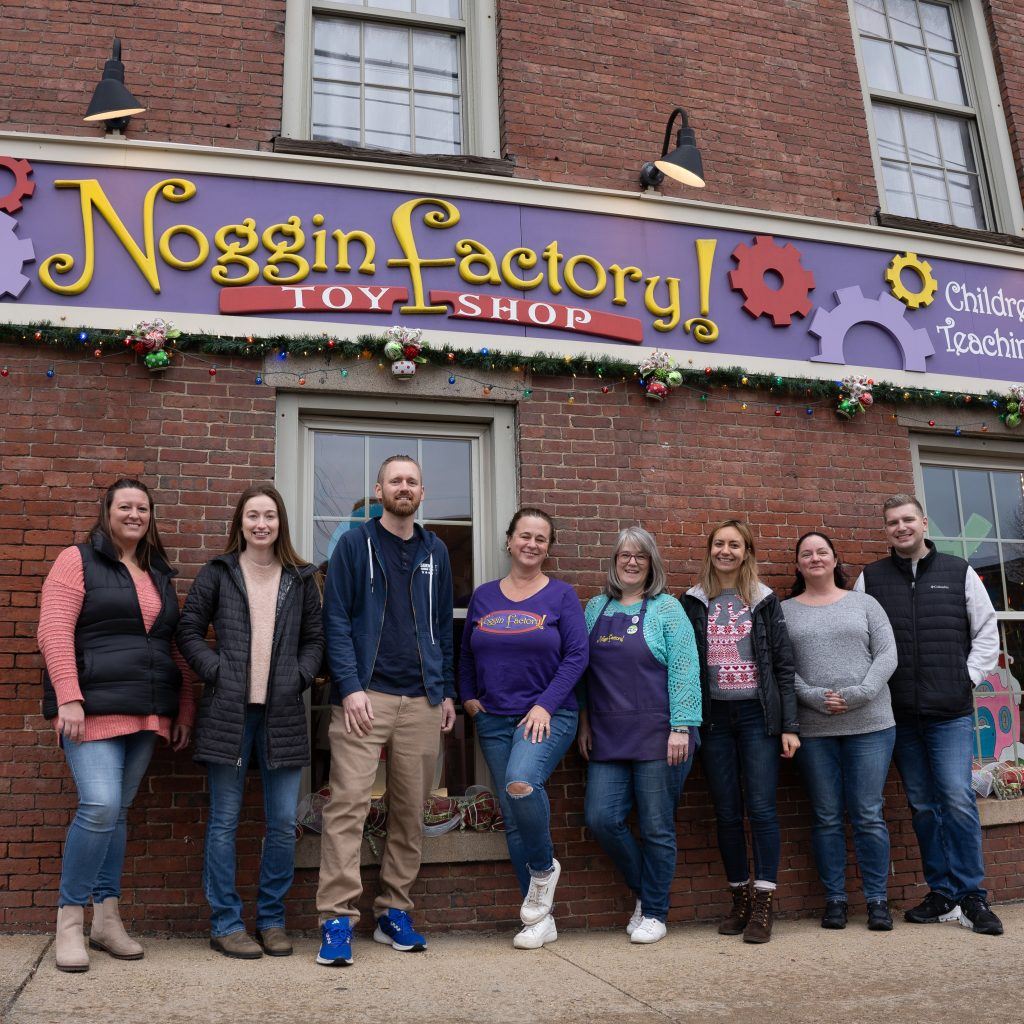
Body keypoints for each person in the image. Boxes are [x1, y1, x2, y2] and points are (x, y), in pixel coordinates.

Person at [38, 478, 195, 973]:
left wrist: (182, 708)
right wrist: (70, 697)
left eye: (142, 508)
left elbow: (172, 646)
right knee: (101, 805)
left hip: (148, 711)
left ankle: (106, 919)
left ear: (151, 517)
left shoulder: (157, 573)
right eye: (124, 506)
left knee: (119, 811)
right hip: (91, 710)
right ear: (106, 512)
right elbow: (53, 629)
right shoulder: (77, 560)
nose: (134, 514)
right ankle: (69, 921)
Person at [316, 455, 456, 966]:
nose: (404, 488)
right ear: (379, 489)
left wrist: (446, 692)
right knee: (348, 806)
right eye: (395, 480)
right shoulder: (354, 544)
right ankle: (336, 918)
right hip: (365, 696)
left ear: (423, 493)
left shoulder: (436, 550)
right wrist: (349, 686)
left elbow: (444, 628)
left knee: (410, 812)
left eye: (412, 482)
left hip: (422, 699)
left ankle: (394, 910)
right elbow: (336, 619)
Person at [177, 485, 324, 959]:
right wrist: (217, 671)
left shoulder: (301, 579)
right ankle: (225, 923)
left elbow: (315, 640)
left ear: (281, 522)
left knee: (281, 824)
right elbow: (187, 631)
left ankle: (272, 921)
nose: (261, 524)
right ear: (240, 523)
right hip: (229, 715)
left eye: (269, 516)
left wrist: (297, 676)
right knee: (224, 821)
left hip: (281, 713)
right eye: (252, 516)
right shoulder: (219, 573)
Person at [855, 494, 1003, 935]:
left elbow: (986, 630)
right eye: (891, 523)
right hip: (898, 716)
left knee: (956, 798)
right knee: (922, 805)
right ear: (885, 530)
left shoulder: (959, 571)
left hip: (950, 712)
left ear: (923, 523)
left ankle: (972, 895)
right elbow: (860, 638)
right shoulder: (872, 578)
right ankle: (942, 893)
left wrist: (967, 679)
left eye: (907, 520)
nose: (900, 528)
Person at [459, 508, 587, 949]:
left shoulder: (562, 596)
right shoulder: (483, 596)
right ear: (509, 541)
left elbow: (576, 657)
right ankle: (539, 920)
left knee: (520, 783)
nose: (531, 544)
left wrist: (545, 705)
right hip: (493, 718)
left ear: (548, 549)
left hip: (548, 715)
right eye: (524, 536)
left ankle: (543, 871)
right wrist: (468, 696)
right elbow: (467, 653)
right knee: (513, 822)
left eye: (541, 539)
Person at [578, 526, 700, 945]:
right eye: (624, 555)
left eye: (640, 557)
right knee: (601, 818)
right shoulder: (595, 608)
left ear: (652, 564)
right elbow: (584, 673)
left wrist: (681, 727)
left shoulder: (667, 609)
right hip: (608, 733)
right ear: (614, 561)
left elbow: (685, 669)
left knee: (656, 827)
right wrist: (584, 721)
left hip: (660, 732)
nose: (631, 562)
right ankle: (648, 895)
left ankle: (655, 912)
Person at [682, 519, 799, 944]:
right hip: (714, 721)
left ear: (747, 551)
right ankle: (739, 898)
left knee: (763, 810)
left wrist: (789, 725)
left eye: (735, 544)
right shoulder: (693, 601)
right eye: (719, 544)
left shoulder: (764, 600)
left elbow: (783, 666)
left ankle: (764, 902)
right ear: (709, 549)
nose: (726, 551)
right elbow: (683, 666)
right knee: (727, 812)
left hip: (756, 717)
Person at [782, 531, 898, 931]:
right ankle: (835, 900)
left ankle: (877, 901)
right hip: (814, 729)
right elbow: (782, 668)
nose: (815, 558)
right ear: (798, 564)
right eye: (806, 553)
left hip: (870, 724)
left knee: (868, 814)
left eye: (822, 552)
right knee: (827, 816)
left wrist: (860, 694)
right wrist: (813, 697)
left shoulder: (865, 604)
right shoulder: (784, 611)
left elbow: (887, 654)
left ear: (835, 560)